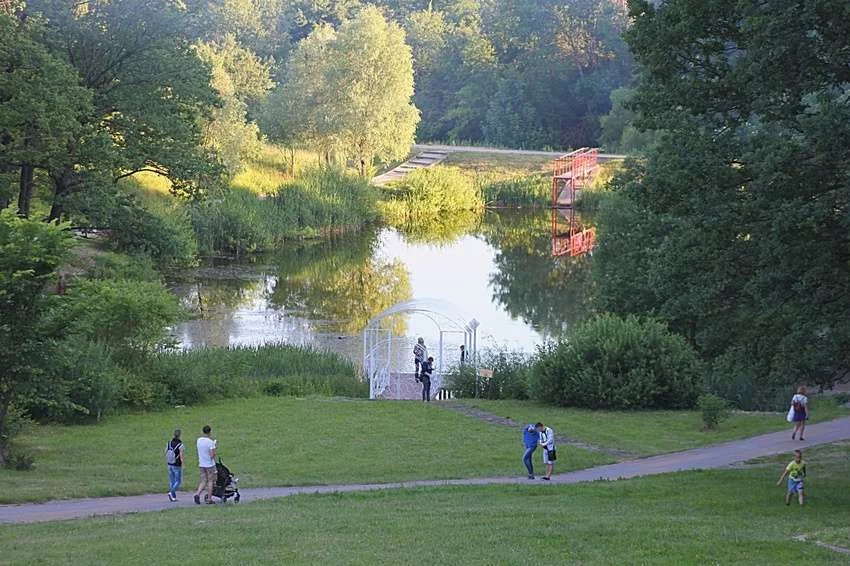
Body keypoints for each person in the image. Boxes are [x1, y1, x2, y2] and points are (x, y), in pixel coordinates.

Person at [193, 425, 217, 505]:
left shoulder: (199, 440)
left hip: (201, 463)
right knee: (210, 481)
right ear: (210, 432)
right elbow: (212, 455)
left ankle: (197, 494)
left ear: (202, 432)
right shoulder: (210, 442)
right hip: (209, 464)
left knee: (203, 480)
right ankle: (209, 499)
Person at [165, 429, 185, 502]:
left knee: (172, 481)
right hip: (176, 465)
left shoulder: (169, 443)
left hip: (169, 463)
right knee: (178, 481)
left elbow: (166, 451)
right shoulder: (181, 445)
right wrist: (183, 464)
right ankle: (171, 492)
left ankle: (173, 497)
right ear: (179, 435)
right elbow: (181, 456)